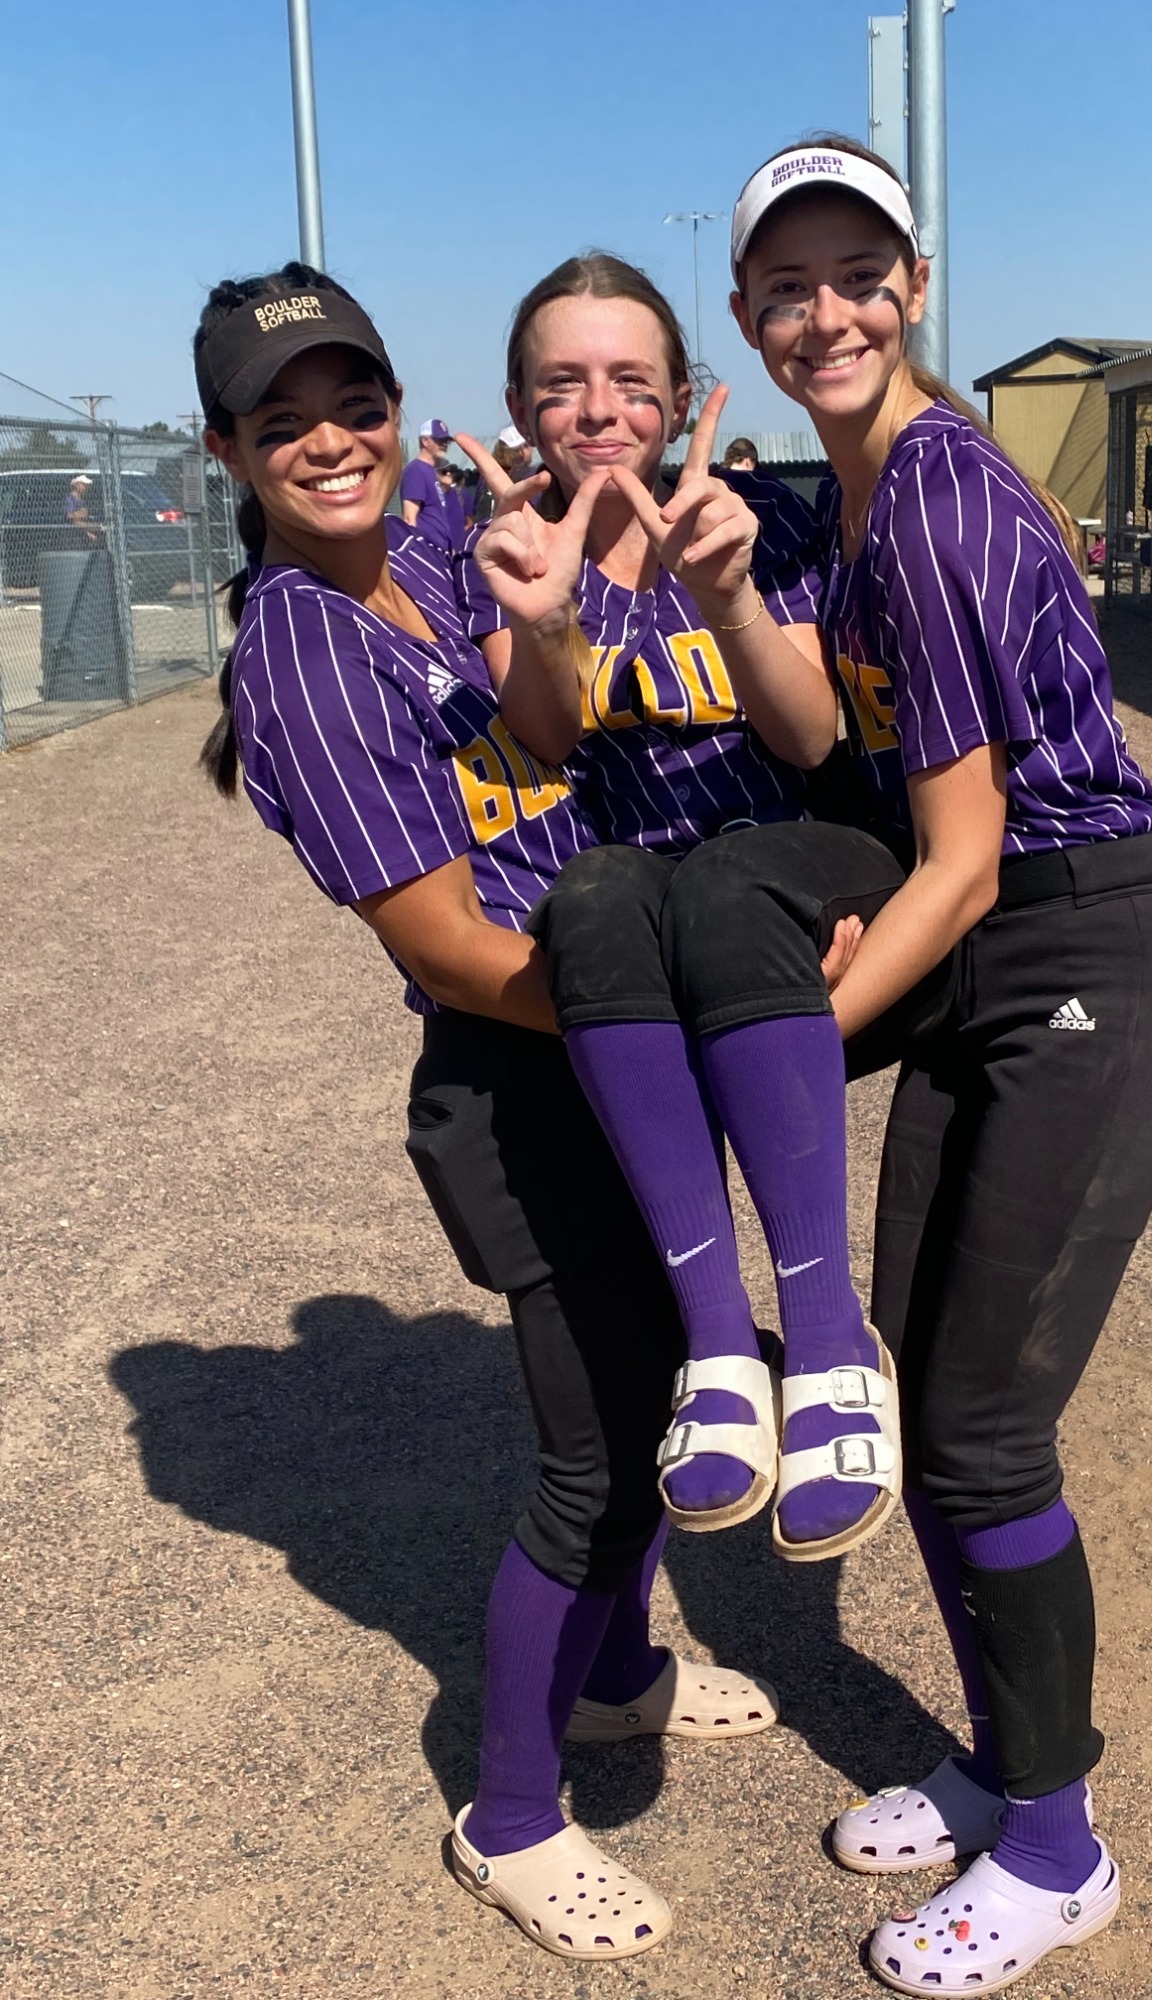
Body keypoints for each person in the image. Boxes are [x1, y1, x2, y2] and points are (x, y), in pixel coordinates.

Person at [192, 261, 777, 1968]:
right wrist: (662, 1014)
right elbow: (450, 949)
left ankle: (615, 1677)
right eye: (281, 422)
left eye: (352, 405)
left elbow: (547, 723)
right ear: (227, 450)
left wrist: (545, 614)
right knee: (600, 1459)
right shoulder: (294, 650)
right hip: (525, 1067)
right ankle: (511, 1814)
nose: (330, 443)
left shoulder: (439, 543)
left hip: (608, 1030)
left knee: (691, 1366)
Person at [726, 137, 1152, 1994]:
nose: (825, 310)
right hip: (1000, 956)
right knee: (937, 1410)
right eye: (788, 284)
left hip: (1090, 953)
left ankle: (1062, 1847)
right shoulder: (848, 501)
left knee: (991, 1429)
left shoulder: (932, 501)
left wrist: (778, 1059)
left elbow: (969, 856)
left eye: (859, 273)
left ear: (912, 288)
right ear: (749, 315)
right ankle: (1006, 1763)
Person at [453, 255, 930, 1566]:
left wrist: (719, 595)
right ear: (518, 403)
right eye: (562, 384)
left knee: (719, 881)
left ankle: (828, 1339)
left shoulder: (756, 517)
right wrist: (547, 620)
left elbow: (818, 734)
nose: (598, 409)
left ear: (679, 397)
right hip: (648, 898)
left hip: (795, 861)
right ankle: (720, 1345)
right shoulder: (503, 542)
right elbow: (541, 746)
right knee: (594, 890)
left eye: (630, 380)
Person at [401, 417, 454, 548]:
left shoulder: (431, 471)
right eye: (440, 440)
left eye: (446, 440)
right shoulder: (416, 470)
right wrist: (417, 551)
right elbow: (409, 518)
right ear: (425, 441)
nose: (445, 444)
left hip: (440, 548)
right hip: (428, 549)